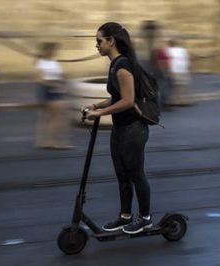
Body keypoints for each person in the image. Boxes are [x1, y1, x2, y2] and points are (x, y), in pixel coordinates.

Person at [83, 22, 152, 234]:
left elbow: (128, 101)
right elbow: (116, 97)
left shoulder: (122, 66)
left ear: (111, 40)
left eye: (99, 41)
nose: (97, 46)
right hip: (120, 128)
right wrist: (96, 105)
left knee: (136, 174)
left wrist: (99, 113)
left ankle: (145, 218)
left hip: (133, 129)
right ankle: (125, 216)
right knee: (122, 174)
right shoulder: (114, 64)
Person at [35, 42, 73, 149]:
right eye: (54, 50)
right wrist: (54, 83)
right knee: (61, 117)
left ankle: (45, 142)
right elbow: (39, 79)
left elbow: (60, 75)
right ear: (48, 51)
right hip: (49, 92)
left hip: (56, 91)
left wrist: (63, 79)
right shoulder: (42, 62)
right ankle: (59, 142)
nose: (56, 52)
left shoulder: (54, 61)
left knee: (50, 118)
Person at [167, 38, 193, 105]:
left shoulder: (168, 50)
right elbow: (187, 59)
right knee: (182, 86)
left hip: (173, 70)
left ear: (169, 44)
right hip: (183, 69)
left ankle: (174, 101)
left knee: (173, 86)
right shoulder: (182, 50)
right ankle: (184, 101)